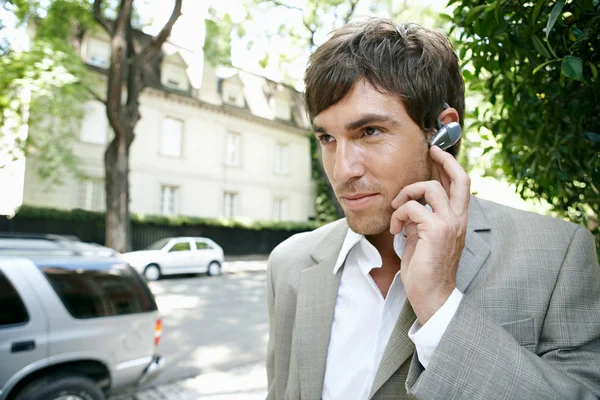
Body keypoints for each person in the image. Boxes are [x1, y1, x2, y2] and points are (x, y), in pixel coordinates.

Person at [265, 17, 600, 400]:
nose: (342, 170)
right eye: (327, 137)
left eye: (370, 132)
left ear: (442, 131)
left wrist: (442, 308)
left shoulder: (559, 255)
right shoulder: (288, 263)